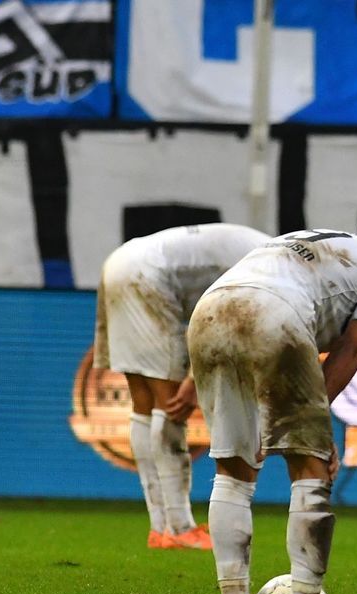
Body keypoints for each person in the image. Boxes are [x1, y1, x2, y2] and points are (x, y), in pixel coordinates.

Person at [187, 226, 357, 594]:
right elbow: (352, 347)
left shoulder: (317, 242)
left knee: (233, 473)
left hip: (210, 310)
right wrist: (317, 422)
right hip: (274, 313)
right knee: (311, 469)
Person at [92, 223, 271, 550]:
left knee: (144, 403)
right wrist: (192, 381)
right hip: (147, 275)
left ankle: (161, 527)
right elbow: (223, 322)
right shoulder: (268, 270)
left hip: (122, 261)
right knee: (169, 404)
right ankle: (179, 527)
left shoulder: (265, 249)